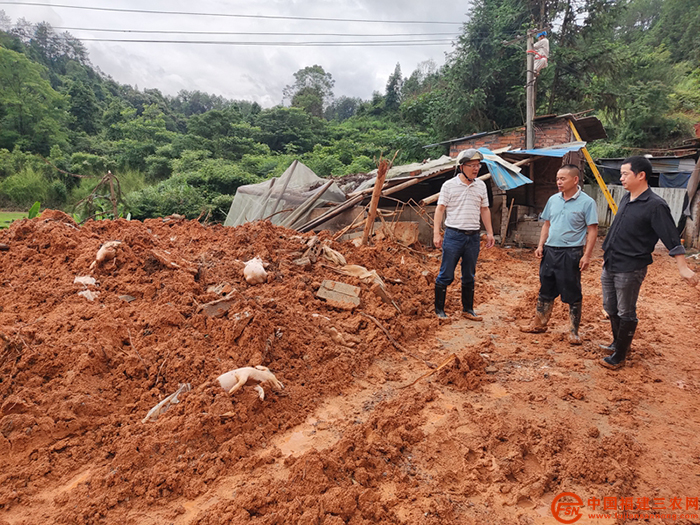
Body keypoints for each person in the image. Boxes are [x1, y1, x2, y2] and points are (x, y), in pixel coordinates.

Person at [600, 156, 698, 370]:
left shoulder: (655, 205)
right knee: (610, 307)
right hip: (611, 262)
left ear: (641, 175)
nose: (621, 177)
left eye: (625, 173)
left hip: (631, 266)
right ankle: (618, 343)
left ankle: (620, 355)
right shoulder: (627, 198)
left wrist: (683, 267)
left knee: (626, 311)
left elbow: (671, 236)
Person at [520, 165, 598, 344]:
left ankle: (573, 331)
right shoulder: (553, 200)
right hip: (550, 251)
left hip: (570, 253)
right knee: (546, 287)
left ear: (575, 180)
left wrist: (587, 255)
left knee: (572, 290)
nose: (559, 182)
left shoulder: (587, 202)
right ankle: (539, 323)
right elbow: (547, 224)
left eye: (563, 178)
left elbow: (592, 230)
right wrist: (540, 245)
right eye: (557, 178)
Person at [433, 148, 495, 320]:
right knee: (446, 273)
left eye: (478, 165)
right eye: (472, 165)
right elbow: (440, 209)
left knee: (469, 274)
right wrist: (436, 234)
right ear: (462, 167)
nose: (476, 169)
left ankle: (467, 309)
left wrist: (490, 232)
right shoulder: (449, 186)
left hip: (473, 237)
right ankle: (439, 310)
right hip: (453, 236)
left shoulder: (481, 186)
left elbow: (484, 210)